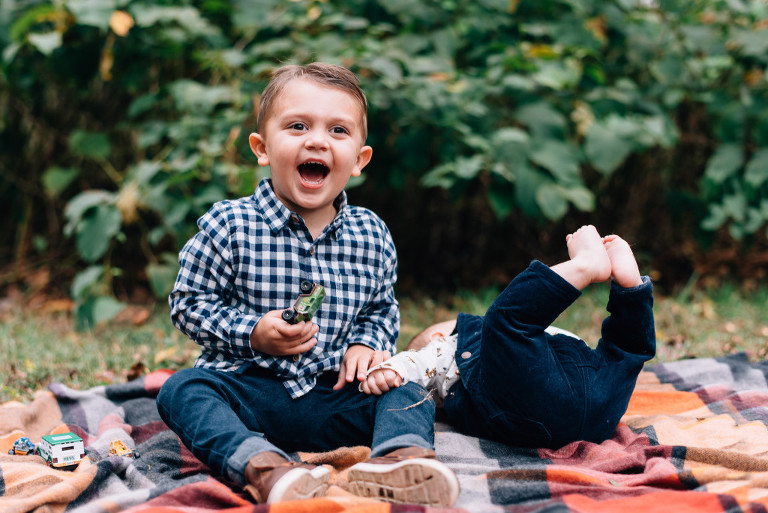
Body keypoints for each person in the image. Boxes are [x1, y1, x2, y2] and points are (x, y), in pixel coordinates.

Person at [157, 62, 459, 507]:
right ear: (262, 148)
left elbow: (380, 308)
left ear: (359, 159)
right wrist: (254, 332)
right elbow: (188, 303)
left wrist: (366, 344)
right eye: (298, 126)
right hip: (251, 390)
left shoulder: (371, 235)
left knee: (406, 390)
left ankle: (399, 460)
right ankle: (263, 468)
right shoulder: (230, 225)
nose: (317, 140)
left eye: (338, 130)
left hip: (333, 393)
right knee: (182, 390)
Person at [361, 225, 656, 449]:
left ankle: (622, 284)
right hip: (596, 410)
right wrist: (392, 368)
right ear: (439, 334)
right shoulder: (443, 348)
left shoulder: (514, 350)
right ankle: (616, 283)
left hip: (580, 399)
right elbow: (416, 361)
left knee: (620, 352)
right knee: (624, 350)